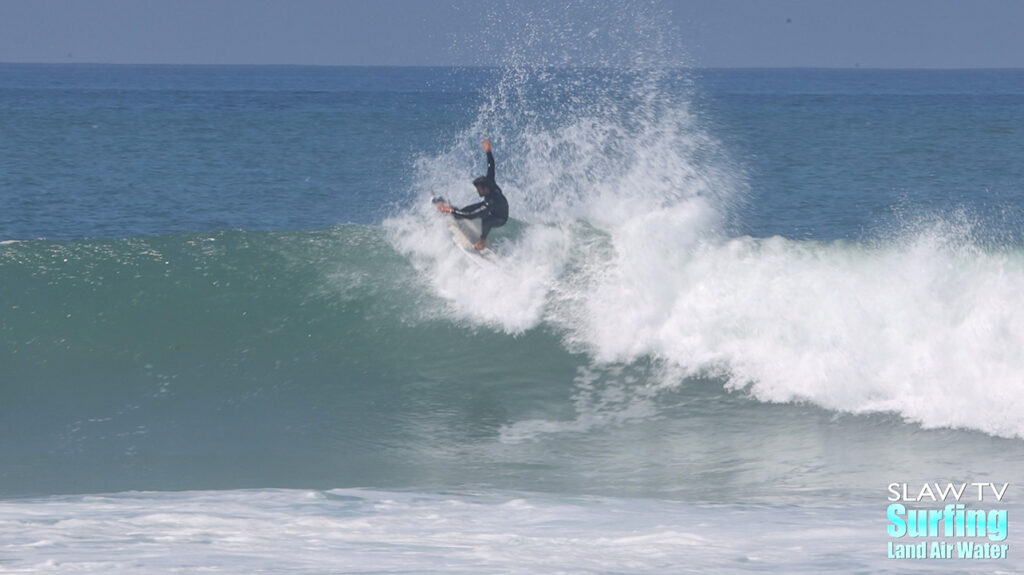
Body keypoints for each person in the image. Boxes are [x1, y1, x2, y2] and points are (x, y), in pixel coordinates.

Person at [435, 139, 508, 250]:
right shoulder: (489, 181)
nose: (477, 191)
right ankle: (454, 212)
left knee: (486, 220)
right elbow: (491, 165)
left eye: (479, 189)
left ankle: (482, 241)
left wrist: (449, 210)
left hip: (500, 217)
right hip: (492, 208)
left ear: (485, 189)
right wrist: (488, 151)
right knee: (464, 211)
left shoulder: (491, 202)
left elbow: (471, 215)